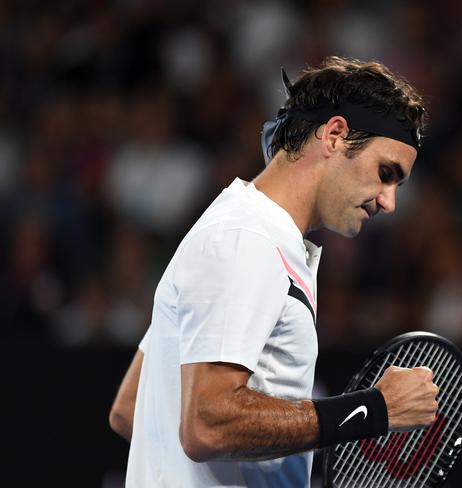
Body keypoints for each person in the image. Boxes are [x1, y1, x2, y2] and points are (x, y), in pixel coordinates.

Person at [109, 56, 439, 487]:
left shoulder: (238, 229)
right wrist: (373, 410)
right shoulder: (249, 239)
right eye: (385, 173)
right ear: (336, 135)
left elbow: (134, 407)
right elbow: (208, 425)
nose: (388, 201)